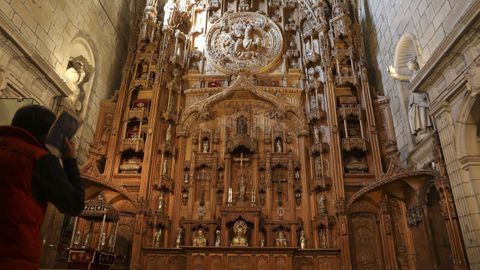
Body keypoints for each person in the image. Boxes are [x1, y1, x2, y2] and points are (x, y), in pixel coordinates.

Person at [0, 105, 85, 270]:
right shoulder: (38, 158)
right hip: (13, 256)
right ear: (48, 134)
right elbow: (74, 204)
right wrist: (69, 160)